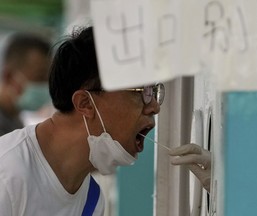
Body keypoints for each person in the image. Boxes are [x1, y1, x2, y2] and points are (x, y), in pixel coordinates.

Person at [0, 26, 165, 215]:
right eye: (141, 93)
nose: (154, 107)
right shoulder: (7, 174)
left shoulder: (92, 200)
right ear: (85, 103)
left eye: (154, 93)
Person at [0, 33, 51, 136]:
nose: (46, 85)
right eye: (39, 77)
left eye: (48, 78)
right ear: (9, 77)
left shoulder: (13, 118)